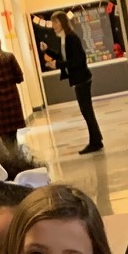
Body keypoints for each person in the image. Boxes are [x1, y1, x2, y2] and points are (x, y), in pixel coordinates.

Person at [49, 11, 103, 155]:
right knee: (86, 110)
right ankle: (97, 138)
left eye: (55, 22)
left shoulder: (71, 38)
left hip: (82, 79)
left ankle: (95, 141)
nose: (53, 26)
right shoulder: (64, 38)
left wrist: (57, 64)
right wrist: (48, 52)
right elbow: (63, 56)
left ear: (62, 22)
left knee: (87, 110)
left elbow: (77, 60)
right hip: (78, 79)